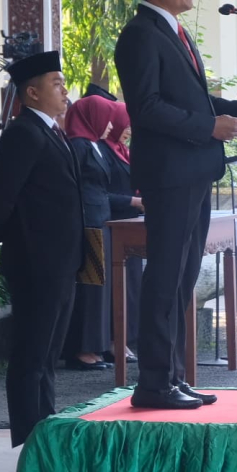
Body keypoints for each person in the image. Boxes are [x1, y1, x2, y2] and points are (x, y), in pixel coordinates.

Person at [114, 0, 237, 410]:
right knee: (165, 276)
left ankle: (173, 377)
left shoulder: (175, 32)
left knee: (181, 279)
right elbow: (148, 108)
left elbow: (198, 101)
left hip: (194, 171)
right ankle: (153, 384)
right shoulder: (140, 35)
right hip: (170, 174)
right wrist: (208, 127)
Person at [0, 51, 84, 447]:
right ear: (33, 92)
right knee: (31, 355)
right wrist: (24, 244)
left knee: (48, 356)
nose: (64, 91)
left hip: (61, 262)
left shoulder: (52, 132)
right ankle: (27, 440)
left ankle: (46, 432)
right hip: (37, 264)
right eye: (56, 84)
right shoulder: (23, 133)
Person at [61, 95, 140, 371]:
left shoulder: (92, 145)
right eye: (105, 118)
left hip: (101, 219)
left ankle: (96, 345)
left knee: (100, 287)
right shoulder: (79, 146)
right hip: (89, 221)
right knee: (91, 286)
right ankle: (83, 349)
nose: (109, 125)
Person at [106, 111, 146, 357]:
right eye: (125, 125)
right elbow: (101, 192)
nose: (129, 130)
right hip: (115, 223)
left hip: (131, 223)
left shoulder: (122, 150)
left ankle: (129, 337)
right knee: (119, 286)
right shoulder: (104, 150)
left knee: (132, 285)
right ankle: (116, 340)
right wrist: (134, 201)